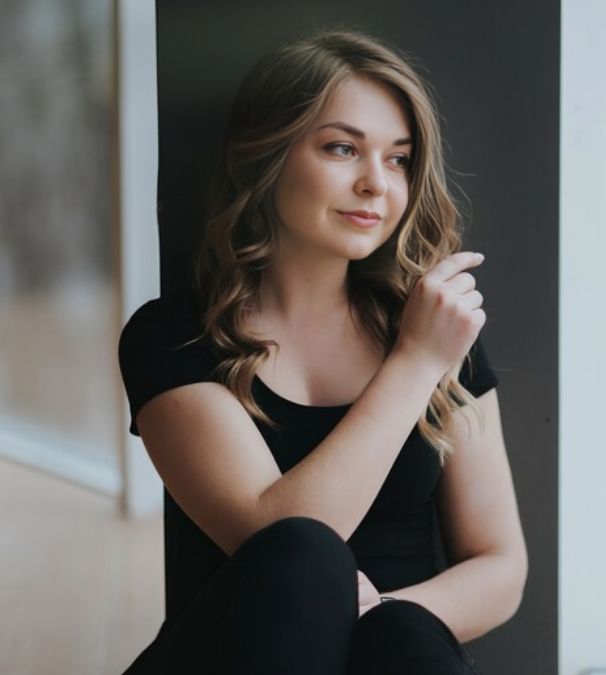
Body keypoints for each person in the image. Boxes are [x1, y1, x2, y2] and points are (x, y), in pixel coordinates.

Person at [117, 30, 526, 674]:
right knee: (307, 556)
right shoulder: (174, 337)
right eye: (342, 148)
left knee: (405, 644)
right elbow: (280, 543)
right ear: (267, 158)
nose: (376, 184)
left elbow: (501, 567)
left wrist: (378, 612)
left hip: (394, 646)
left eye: (398, 158)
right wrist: (414, 364)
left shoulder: (436, 328)